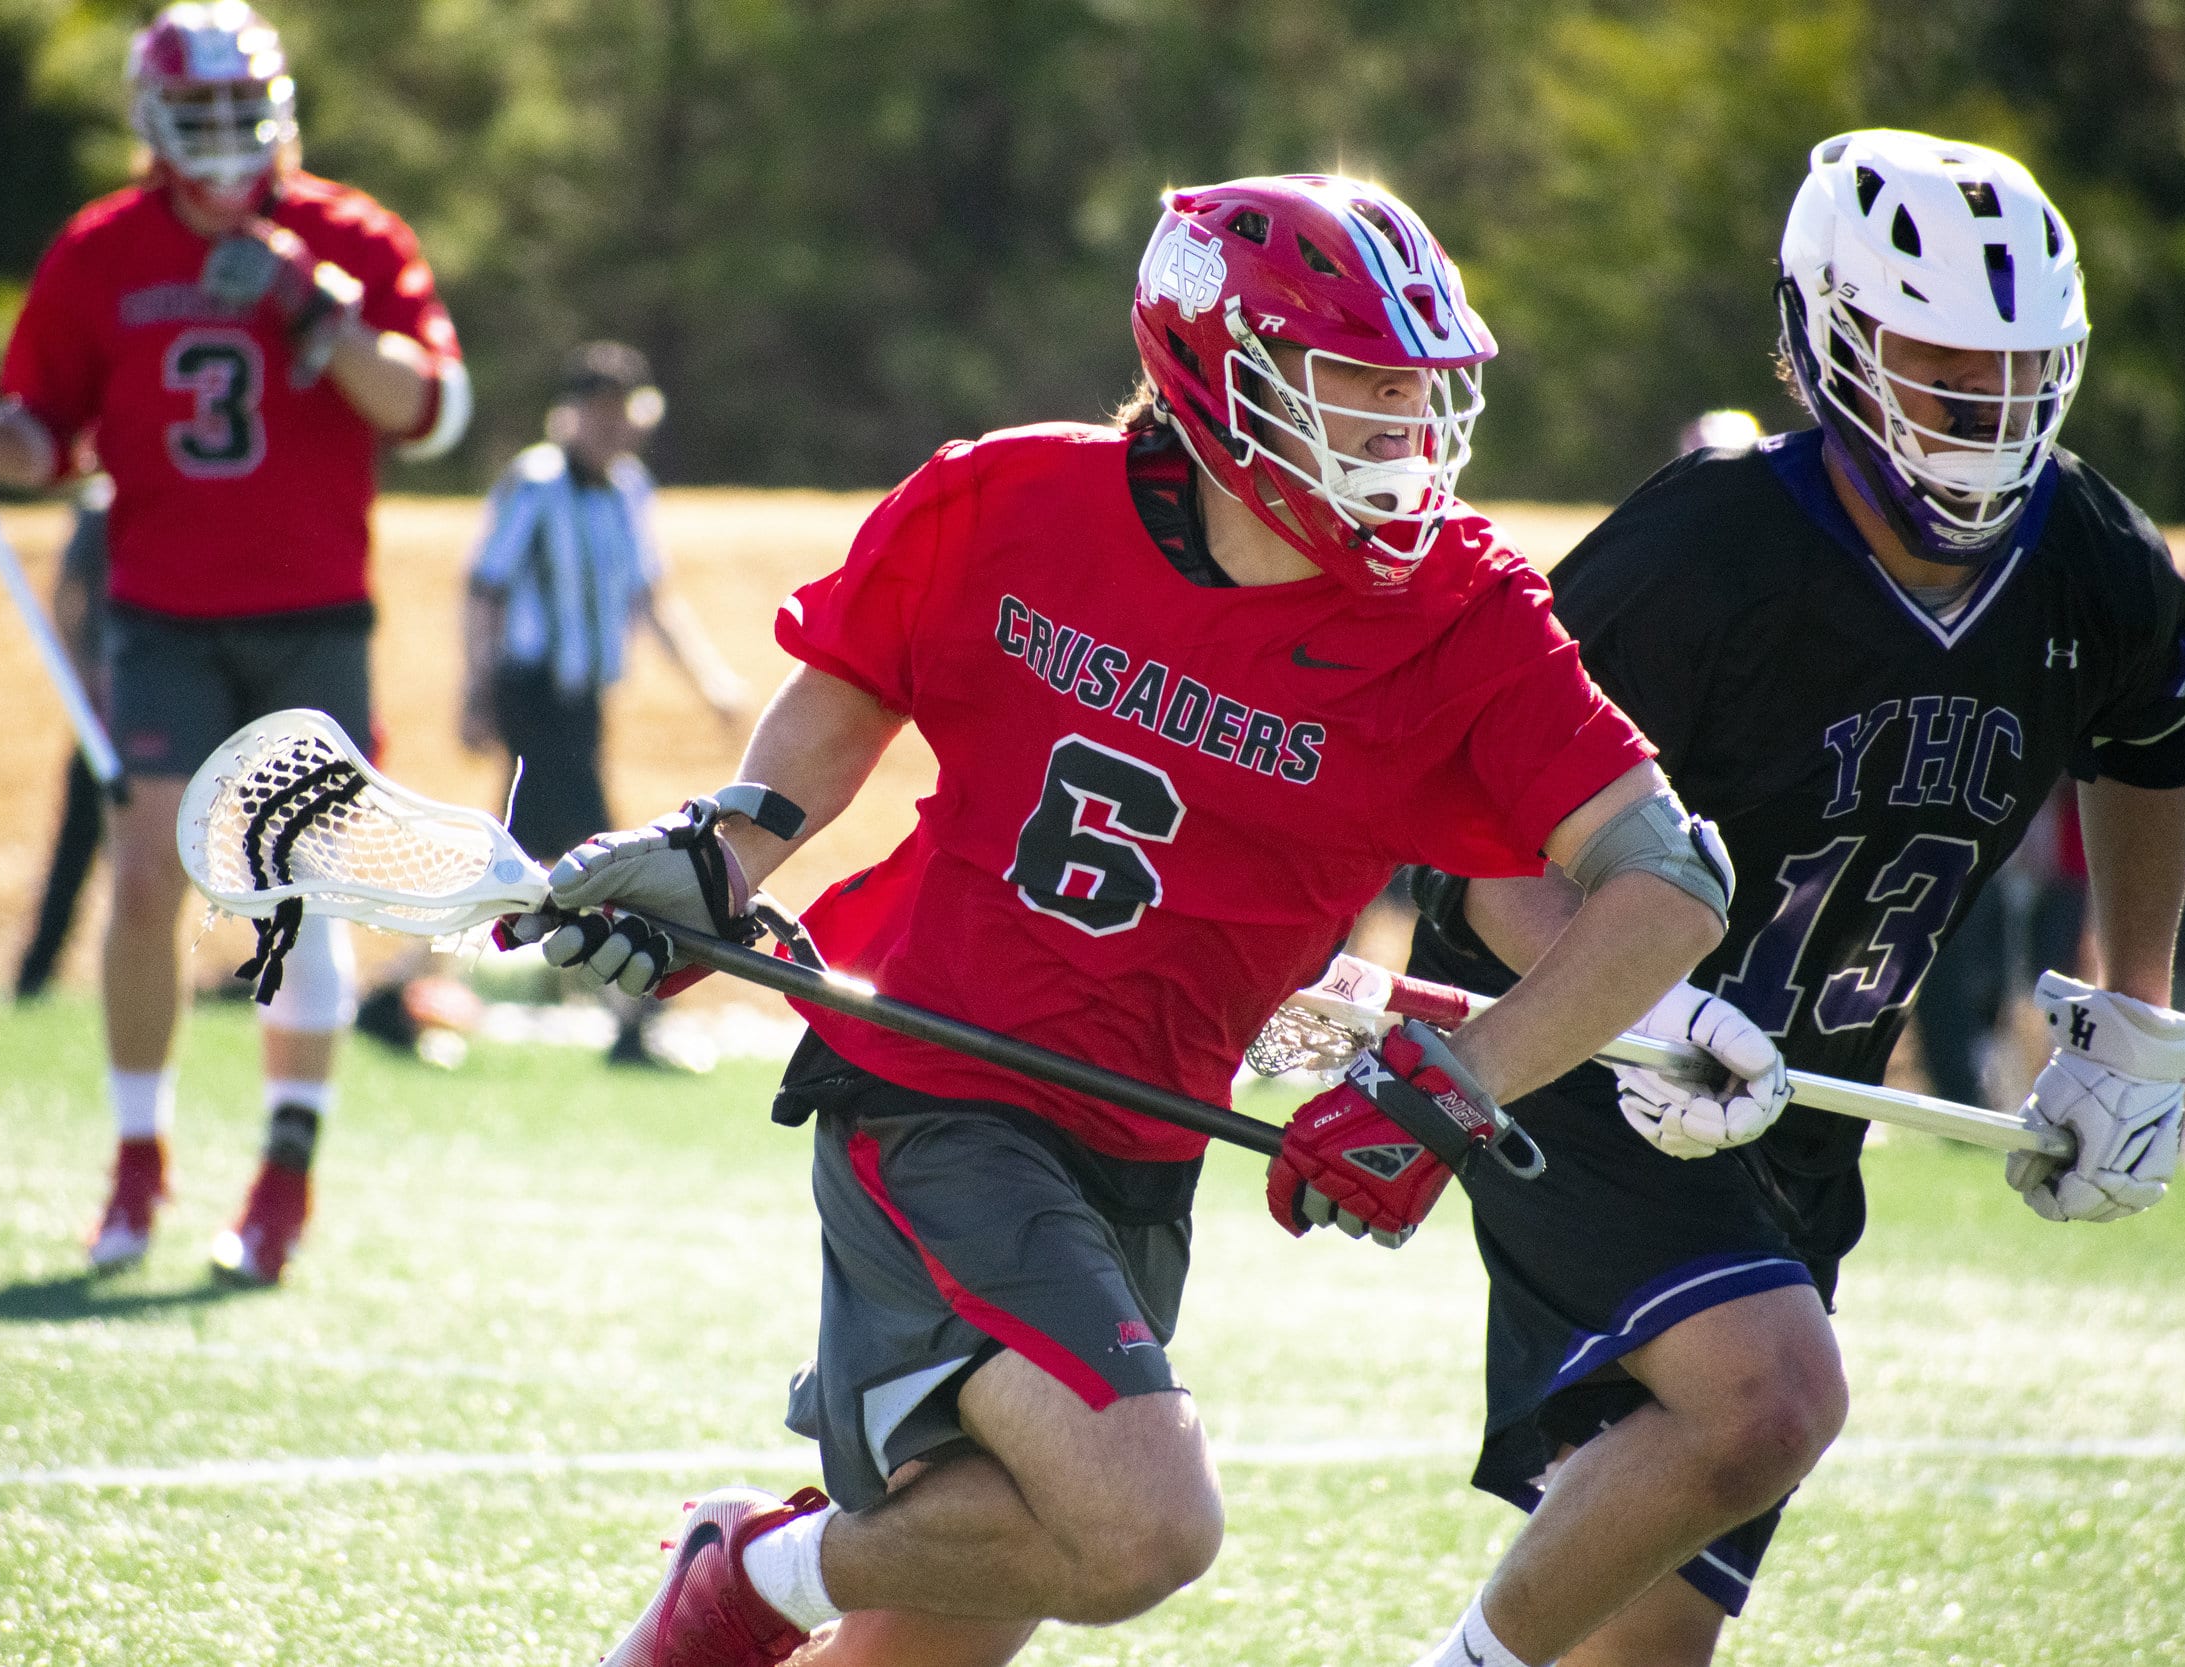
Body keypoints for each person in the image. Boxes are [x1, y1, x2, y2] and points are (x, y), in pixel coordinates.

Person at [520, 174, 1733, 1667]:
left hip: (1143, 1143)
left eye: (1417, 395)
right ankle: (754, 1569)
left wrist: (1473, 1073)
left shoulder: (1461, 606)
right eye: (1353, 389)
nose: (1397, 437)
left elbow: (1666, 880)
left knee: (930, 1642)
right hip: (936, 1091)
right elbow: (857, 678)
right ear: (1217, 371)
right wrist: (727, 848)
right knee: (1148, 1526)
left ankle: (778, 1582)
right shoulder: (1012, 496)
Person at [1400, 130, 2185, 1667]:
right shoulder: (1707, 545)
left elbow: (2158, 733)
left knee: (1650, 1628)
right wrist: (1640, 1005)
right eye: (1938, 364)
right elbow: (1481, 840)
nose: (1985, 412)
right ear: (1831, 341)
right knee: (1777, 1391)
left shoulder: (2089, 552)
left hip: (1802, 1096)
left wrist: (2138, 1010)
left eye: (2018, 369)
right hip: (1584, 1051)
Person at [0, 0, 470, 1285]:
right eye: (191, 110)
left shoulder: (349, 235)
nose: (217, 135)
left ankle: (281, 1177)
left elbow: (428, 408)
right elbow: (46, 438)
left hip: (311, 606)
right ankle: (139, 1159)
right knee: (148, 870)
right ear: (152, 119)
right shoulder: (101, 250)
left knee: (295, 887)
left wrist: (310, 308)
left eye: (233, 105)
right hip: (161, 606)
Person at [454, 340, 747, 1065]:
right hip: (534, 693)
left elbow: (652, 597)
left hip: (582, 703)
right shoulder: (536, 482)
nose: (611, 426)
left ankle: (398, 991)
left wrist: (709, 680)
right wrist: (477, 687)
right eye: (598, 411)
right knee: (603, 856)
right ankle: (634, 1022)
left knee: (523, 859)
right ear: (572, 414)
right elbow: (485, 587)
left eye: (623, 412)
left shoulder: (628, 490)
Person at [13, 473, 114, 1002]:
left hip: (174, 706)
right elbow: (67, 594)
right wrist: (81, 673)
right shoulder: (102, 509)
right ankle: (36, 973)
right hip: (109, 705)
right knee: (77, 842)